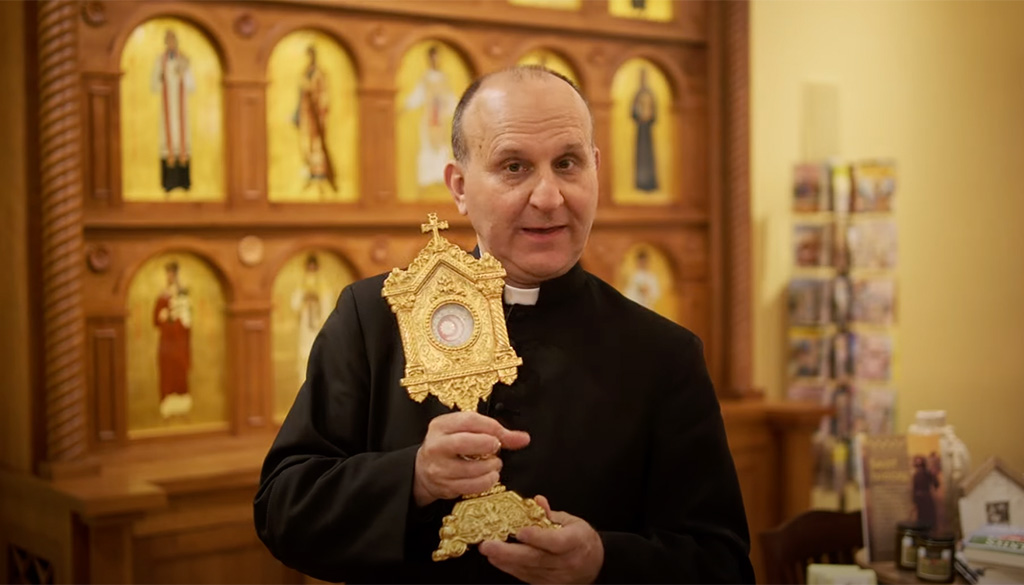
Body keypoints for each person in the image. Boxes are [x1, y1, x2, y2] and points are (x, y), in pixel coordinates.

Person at [255, 66, 754, 584]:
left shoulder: (663, 356)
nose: (548, 197)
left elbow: (722, 565)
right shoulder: (374, 317)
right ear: (460, 187)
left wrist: (603, 562)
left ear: (596, 170)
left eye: (567, 163)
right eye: (514, 167)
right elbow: (283, 511)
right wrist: (414, 477)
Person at [404, 45, 457, 189]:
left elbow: (451, 97)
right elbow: (417, 95)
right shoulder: (425, 78)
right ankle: (427, 177)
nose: (435, 60)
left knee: (442, 146)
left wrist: (457, 108)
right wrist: (405, 106)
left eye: (437, 57)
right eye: (432, 57)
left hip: (441, 117)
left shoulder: (444, 78)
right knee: (426, 145)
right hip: (429, 118)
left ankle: (441, 176)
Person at [150, 30, 195, 193]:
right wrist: (161, 75)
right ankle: (168, 183)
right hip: (167, 109)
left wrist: (184, 71)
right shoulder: (159, 61)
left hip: (182, 109)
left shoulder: (184, 60)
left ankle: (184, 182)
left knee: (183, 143)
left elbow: (192, 86)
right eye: (168, 40)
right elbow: (153, 86)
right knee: (167, 144)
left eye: (173, 40)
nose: (171, 43)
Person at [293, 45, 337, 195]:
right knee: (306, 144)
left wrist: (320, 109)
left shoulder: (319, 74)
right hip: (307, 115)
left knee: (317, 145)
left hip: (317, 117)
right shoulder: (305, 73)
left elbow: (324, 96)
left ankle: (320, 175)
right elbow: (301, 95)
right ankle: (310, 173)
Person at [153, 261, 192, 419]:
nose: (170, 277)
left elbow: (189, 321)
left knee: (180, 371)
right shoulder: (162, 297)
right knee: (167, 371)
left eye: (173, 274)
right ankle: (167, 406)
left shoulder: (184, 295)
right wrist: (165, 317)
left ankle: (182, 407)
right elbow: (156, 320)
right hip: (167, 341)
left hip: (181, 341)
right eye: (168, 274)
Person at [631, 67, 658, 192]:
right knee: (641, 155)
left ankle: (650, 182)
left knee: (649, 156)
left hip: (648, 129)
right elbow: (633, 110)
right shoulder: (638, 94)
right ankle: (641, 182)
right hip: (640, 128)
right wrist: (638, 116)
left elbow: (654, 111)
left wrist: (649, 117)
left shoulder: (650, 94)